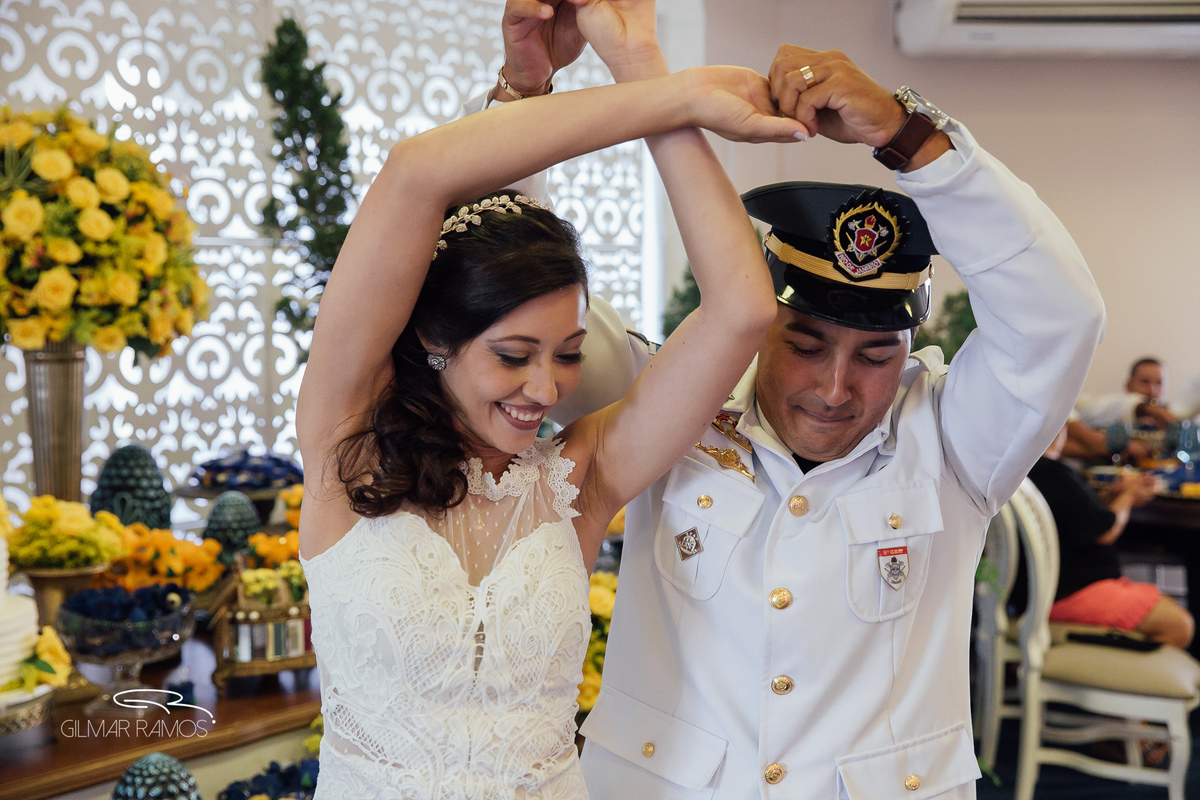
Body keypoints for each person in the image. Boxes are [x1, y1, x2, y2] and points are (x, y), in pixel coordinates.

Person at [490, 2, 1106, 796]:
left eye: (876, 355)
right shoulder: (666, 402)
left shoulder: (954, 442)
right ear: (757, 328)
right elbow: (506, 289)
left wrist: (909, 136)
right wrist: (525, 93)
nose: (836, 388)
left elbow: (1061, 316)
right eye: (806, 345)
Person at [294, 11, 808, 797]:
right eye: (513, 356)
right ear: (436, 335)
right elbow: (416, 172)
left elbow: (743, 309)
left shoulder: (580, 477)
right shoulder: (344, 442)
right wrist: (680, 98)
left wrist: (648, 73)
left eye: (568, 355)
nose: (546, 390)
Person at [1028, 423, 1193, 648]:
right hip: (1071, 593)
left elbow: (1080, 518)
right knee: (1180, 625)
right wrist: (1129, 495)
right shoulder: (1052, 472)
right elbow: (1105, 531)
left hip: (1054, 588)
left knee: (1168, 608)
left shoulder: (1032, 470)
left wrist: (1114, 494)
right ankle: (1128, 678)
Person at [1076, 357, 1181, 430]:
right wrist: (1146, 409)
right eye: (1145, 382)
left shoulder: (1175, 419)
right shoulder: (1111, 407)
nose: (1152, 390)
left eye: (1159, 383)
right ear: (1128, 386)